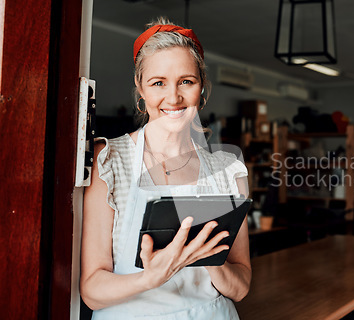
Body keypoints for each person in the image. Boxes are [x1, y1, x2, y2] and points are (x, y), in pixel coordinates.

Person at [80, 18, 251, 319]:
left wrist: (205, 255)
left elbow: (240, 288)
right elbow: (92, 291)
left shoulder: (228, 170)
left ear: (202, 87)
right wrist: (151, 278)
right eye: (158, 83)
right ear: (140, 89)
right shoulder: (108, 161)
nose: (173, 98)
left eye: (187, 81)